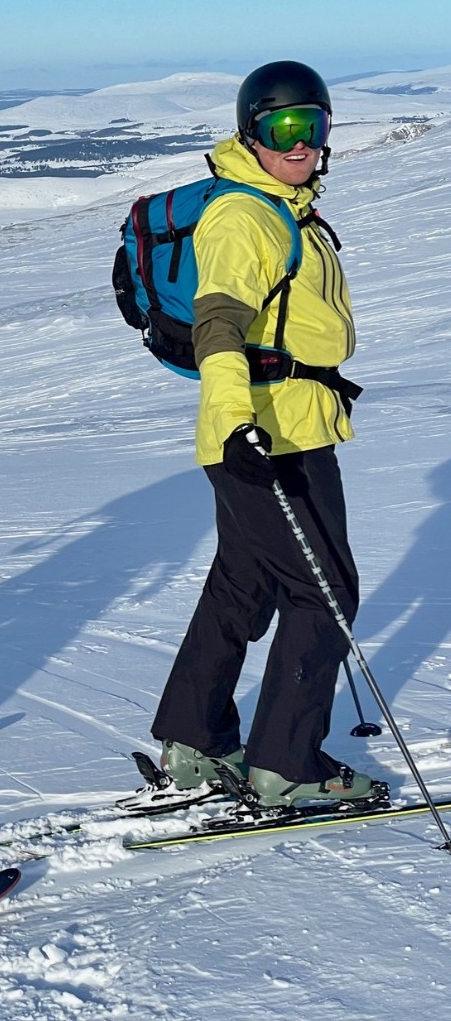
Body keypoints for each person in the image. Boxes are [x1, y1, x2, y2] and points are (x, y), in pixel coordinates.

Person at [149, 61, 381, 809]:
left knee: (243, 583)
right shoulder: (242, 216)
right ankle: (286, 766)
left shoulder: (284, 206)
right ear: (252, 132)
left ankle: (195, 739)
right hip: (264, 431)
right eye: (284, 129)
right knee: (322, 593)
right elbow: (219, 326)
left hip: (288, 420)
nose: (300, 144)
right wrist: (234, 423)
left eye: (311, 128)